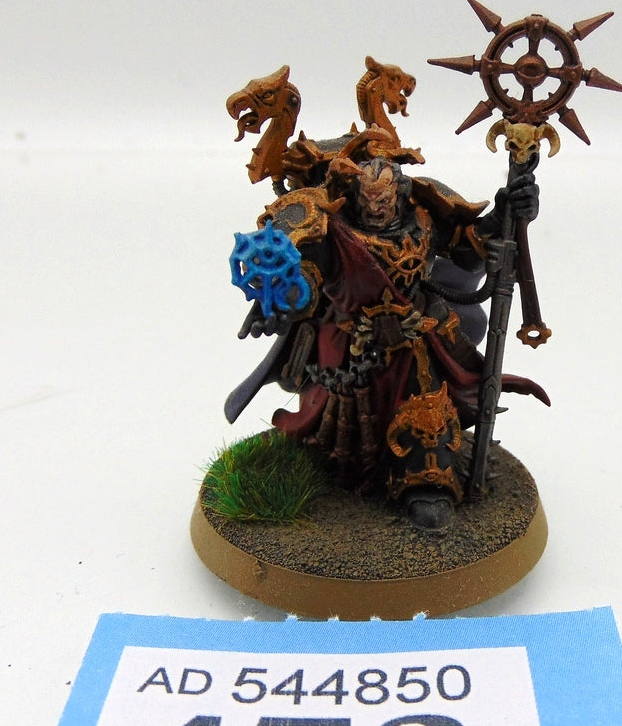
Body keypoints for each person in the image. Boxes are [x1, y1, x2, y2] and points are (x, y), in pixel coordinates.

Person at [227, 129, 547, 530]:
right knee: (342, 422)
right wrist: (275, 303)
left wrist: (503, 215)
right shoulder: (334, 228)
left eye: (384, 200)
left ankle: (426, 484)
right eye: (367, 201)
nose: (375, 209)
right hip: (349, 340)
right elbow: (303, 274)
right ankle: (339, 469)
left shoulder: (424, 218)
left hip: (413, 336)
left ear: (401, 194)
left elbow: (467, 251)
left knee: (426, 410)